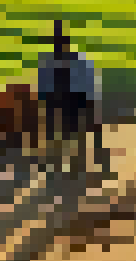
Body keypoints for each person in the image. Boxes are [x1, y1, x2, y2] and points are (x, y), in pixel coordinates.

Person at [36, 20, 102, 168]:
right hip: (60, 102)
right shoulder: (49, 62)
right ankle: (63, 163)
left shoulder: (76, 60)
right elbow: (43, 88)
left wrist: (90, 104)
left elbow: (88, 85)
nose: (58, 45)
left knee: (73, 136)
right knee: (60, 137)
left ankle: (73, 163)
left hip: (72, 101)